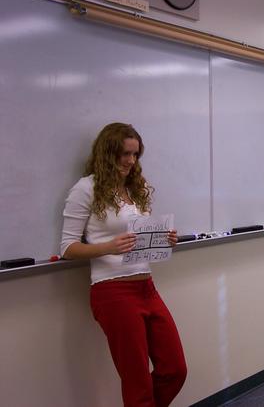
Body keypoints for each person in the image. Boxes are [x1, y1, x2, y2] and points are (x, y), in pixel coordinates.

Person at [60, 123, 187, 407]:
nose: (130, 161)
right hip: (112, 292)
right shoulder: (86, 188)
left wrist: (164, 239)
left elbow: (139, 238)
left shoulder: (135, 187)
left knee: (175, 370)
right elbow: (68, 248)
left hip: (146, 286)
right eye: (124, 154)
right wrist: (108, 246)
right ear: (108, 153)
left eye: (136, 155)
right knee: (137, 381)